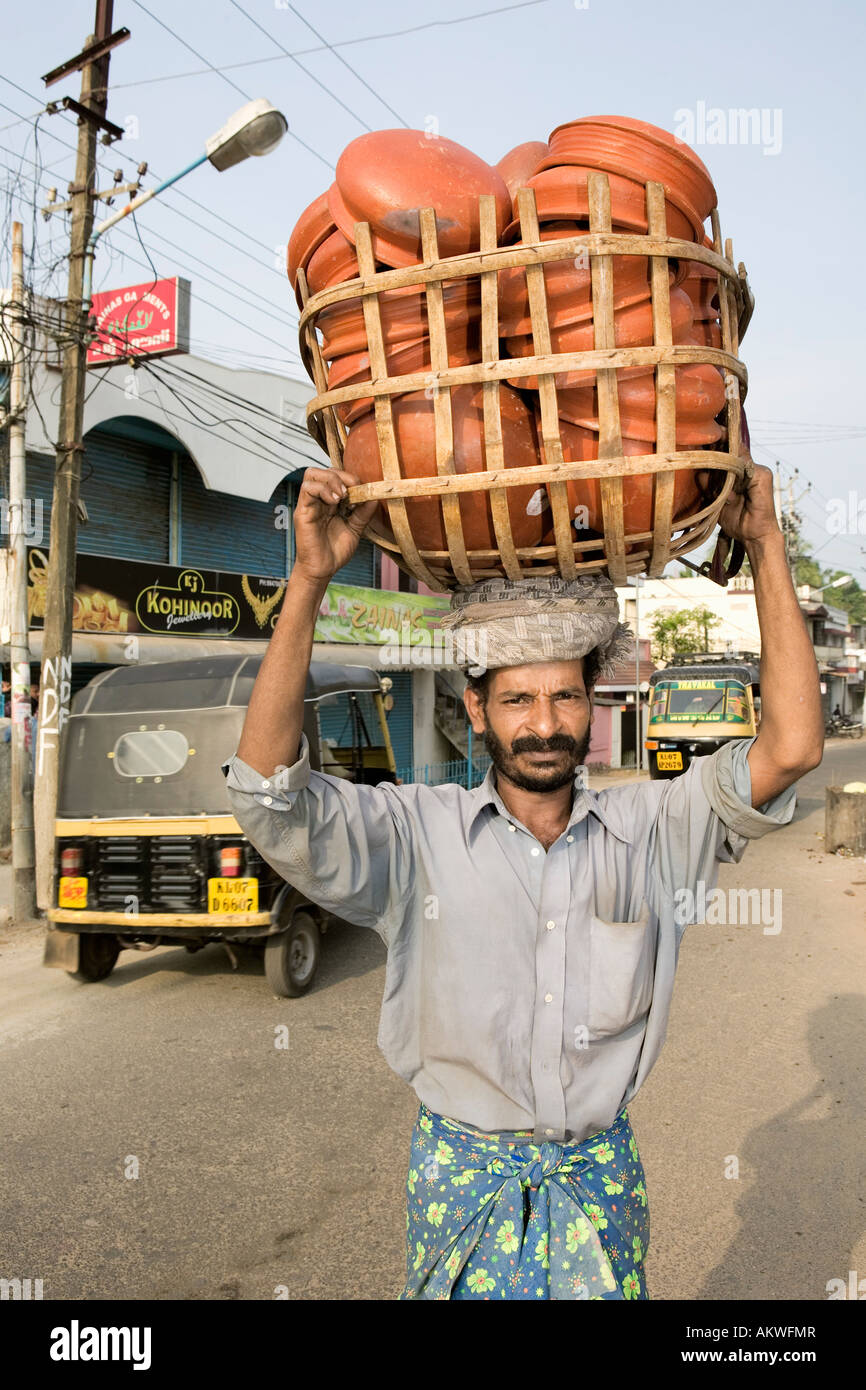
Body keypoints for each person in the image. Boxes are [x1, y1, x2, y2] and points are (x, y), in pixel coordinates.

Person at [222, 463, 823, 1301]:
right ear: (476, 711)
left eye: (566, 698)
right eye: (517, 702)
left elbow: (791, 748)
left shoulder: (657, 830)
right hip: (460, 1191)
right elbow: (266, 793)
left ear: (592, 702)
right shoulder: (414, 834)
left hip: (597, 1185)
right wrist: (311, 578)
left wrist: (764, 547)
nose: (544, 726)